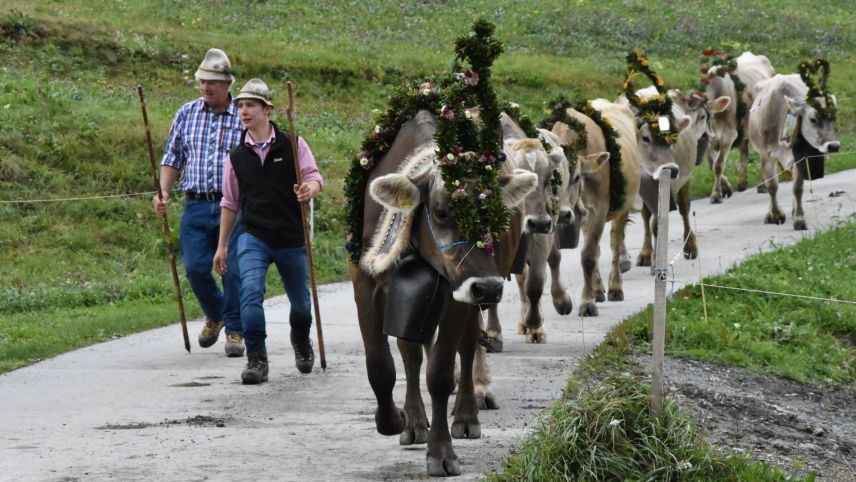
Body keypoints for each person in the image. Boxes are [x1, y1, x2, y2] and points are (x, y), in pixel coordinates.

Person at [213, 78, 323, 384]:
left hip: (290, 234)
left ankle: (301, 339)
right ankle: (256, 358)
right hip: (253, 234)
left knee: (301, 305)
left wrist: (308, 189)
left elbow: (314, 176)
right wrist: (222, 246)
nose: (244, 111)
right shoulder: (235, 157)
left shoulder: (293, 144)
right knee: (250, 293)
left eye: (250, 105)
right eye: (241, 106)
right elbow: (230, 203)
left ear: (267, 110)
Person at [152, 48, 245, 357]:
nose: (206, 87)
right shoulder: (187, 112)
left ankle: (234, 330)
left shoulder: (241, 117)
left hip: (231, 205)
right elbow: (172, 156)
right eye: (203, 81)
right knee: (194, 267)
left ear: (227, 84)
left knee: (230, 266)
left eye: (213, 82)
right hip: (194, 203)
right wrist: (164, 191)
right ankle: (217, 313)